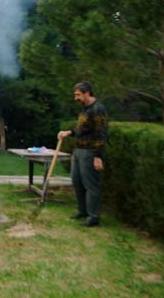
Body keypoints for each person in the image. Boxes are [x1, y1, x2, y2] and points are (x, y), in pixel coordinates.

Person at [58, 82, 108, 227]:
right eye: (75, 95)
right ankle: (82, 211)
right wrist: (69, 132)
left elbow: (101, 134)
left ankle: (94, 217)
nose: (76, 98)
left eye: (78, 94)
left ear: (87, 93)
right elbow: (81, 128)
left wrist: (98, 156)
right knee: (77, 181)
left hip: (90, 152)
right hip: (78, 150)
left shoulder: (98, 109)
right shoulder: (85, 109)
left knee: (91, 185)